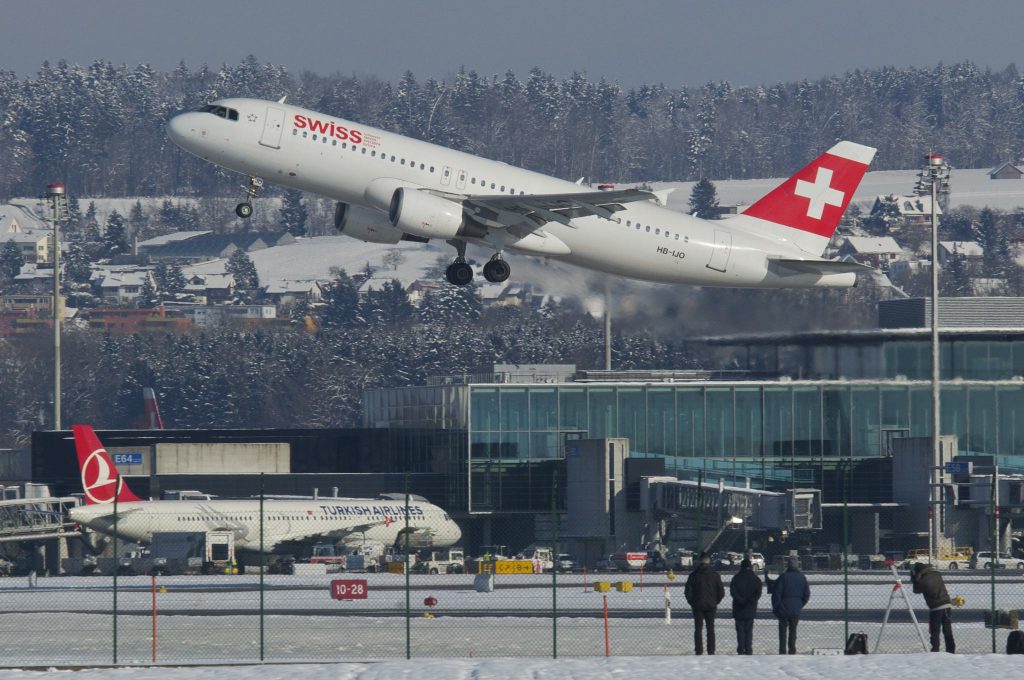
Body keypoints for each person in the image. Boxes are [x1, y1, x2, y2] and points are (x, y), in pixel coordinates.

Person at [766, 556, 810, 654]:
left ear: (788, 565)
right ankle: (792, 649)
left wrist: (776, 607)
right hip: (796, 608)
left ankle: (782, 650)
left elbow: (776, 594)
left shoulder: (783, 577)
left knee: (782, 632)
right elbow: (806, 594)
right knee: (793, 631)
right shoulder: (802, 577)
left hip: (783, 608)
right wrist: (800, 604)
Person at [684, 551, 725, 655]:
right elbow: (721, 592)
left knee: (698, 629)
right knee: (710, 629)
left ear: (699, 562)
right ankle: (711, 650)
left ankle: (699, 650)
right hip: (711, 606)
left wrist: (692, 603)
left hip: (697, 606)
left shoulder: (693, 575)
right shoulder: (715, 575)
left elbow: (688, 592)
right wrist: (715, 602)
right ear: (709, 562)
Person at [911, 562, 955, 653]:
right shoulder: (937, 574)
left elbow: (916, 590)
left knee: (935, 631)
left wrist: (914, 578)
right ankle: (951, 650)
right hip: (947, 604)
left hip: (936, 607)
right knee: (947, 630)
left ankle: (935, 650)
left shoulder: (923, 579)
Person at [730, 557, 763, 654]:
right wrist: (751, 600)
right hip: (751, 608)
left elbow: (733, 592)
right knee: (749, 631)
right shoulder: (756, 579)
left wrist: (740, 600)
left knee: (740, 631)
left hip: (738, 608)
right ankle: (748, 649)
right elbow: (758, 593)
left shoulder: (736, 578)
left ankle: (741, 649)